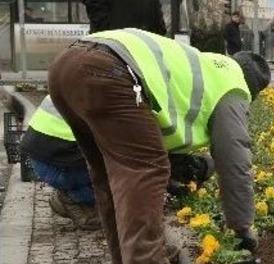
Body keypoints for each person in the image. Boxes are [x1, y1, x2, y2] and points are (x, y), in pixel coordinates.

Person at [47, 28, 271, 264]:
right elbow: (234, 160)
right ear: (252, 89)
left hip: (66, 66)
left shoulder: (209, 65)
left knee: (108, 170)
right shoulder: (233, 87)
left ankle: (126, 258)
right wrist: (242, 226)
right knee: (146, 168)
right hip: (107, 69)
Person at [19, 96, 216, 231]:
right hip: (59, 161)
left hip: (44, 152)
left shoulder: (118, 76)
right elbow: (140, 157)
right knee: (128, 185)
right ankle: (75, 197)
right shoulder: (134, 96)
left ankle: (76, 193)